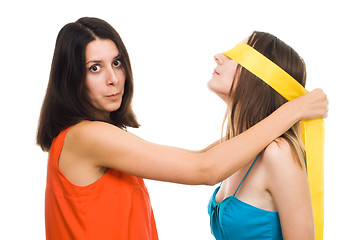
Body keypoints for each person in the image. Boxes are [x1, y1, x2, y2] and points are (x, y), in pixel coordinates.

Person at [37, 18, 328, 240]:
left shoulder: (275, 153)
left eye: (116, 62)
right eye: (94, 68)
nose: (113, 78)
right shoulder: (86, 137)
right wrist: (294, 110)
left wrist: (272, 116)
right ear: (71, 78)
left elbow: (209, 154)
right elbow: (204, 167)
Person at [207, 31, 322, 240]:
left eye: (238, 55)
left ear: (260, 78)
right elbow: (196, 163)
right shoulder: (236, 145)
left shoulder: (279, 153)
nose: (219, 56)